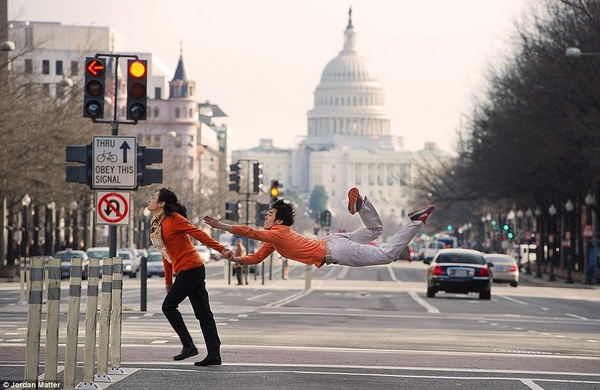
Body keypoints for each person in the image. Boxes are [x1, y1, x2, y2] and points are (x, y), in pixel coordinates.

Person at [204, 187, 436, 269]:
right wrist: (234, 259)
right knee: (375, 231)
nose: (266, 217)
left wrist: (221, 225)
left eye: (270, 215)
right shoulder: (275, 239)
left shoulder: (278, 233)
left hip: (336, 251)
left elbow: (251, 232)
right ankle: (361, 205)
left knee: (386, 256)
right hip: (335, 242)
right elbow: (255, 258)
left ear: (279, 221)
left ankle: (416, 220)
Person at [147, 188, 233, 366]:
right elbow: (165, 252)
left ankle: (188, 345)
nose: (150, 199)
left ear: (162, 203)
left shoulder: (174, 219)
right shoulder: (157, 223)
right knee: (203, 314)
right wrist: (168, 280)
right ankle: (214, 354)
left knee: (169, 307)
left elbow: (198, 234)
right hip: (188, 269)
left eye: (154, 197)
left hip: (192, 268)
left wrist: (221, 249)